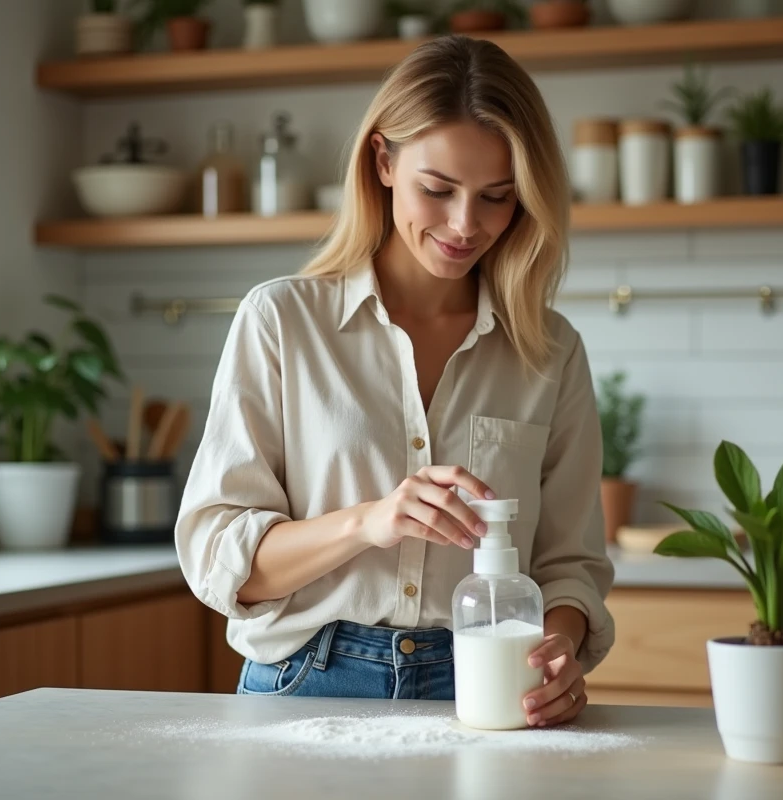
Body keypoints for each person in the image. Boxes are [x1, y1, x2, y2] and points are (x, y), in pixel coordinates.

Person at [175, 34, 614, 729]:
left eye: (496, 198)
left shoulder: (550, 351)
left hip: (489, 687)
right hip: (303, 685)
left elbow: (570, 564)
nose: (465, 225)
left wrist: (556, 643)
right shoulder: (283, 320)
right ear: (382, 160)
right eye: (436, 190)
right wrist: (368, 522)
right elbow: (218, 556)